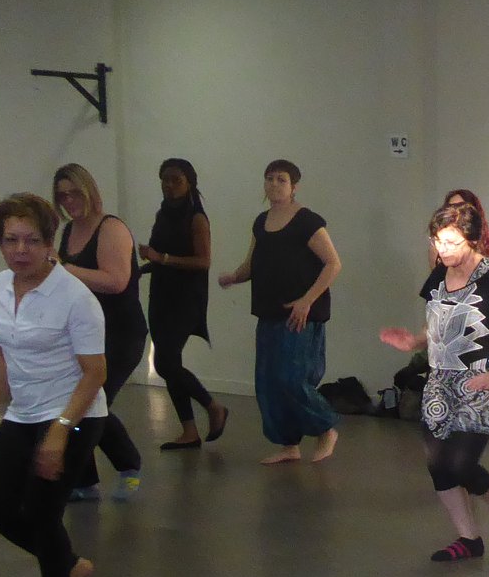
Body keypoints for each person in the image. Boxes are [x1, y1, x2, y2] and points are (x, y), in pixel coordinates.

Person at [0, 192, 106, 577]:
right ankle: (66, 562)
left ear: (50, 243)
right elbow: (2, 352)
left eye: (32, 240)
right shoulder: (1, 285)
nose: (21, 250)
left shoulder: (75, 297)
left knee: (43, 512)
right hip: (24, 411)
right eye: (11, 240)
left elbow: (95, 373)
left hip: (75, 412)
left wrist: (61, 431)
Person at [379, 198, 489, 561]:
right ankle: (468, 538)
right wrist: (413, 341)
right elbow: (438, 322)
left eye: (451, 242)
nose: (443, 249)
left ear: (472, 239)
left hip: (481, 383)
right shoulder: (439, 275)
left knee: (461, 464)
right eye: (437, 241)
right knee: (438, 464)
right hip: (440, 382)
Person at [218, 159, 341, 465]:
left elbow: (333, 263)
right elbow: (251, 264)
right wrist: (234, 277)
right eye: (270, 178)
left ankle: (326, 428)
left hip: (299, 314)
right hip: (269, 310)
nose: (274, 184)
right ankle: (289, 445)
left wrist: (306, 300)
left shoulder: (307, 221)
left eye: (281, 179)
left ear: (293, 187)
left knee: (290, 379)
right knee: (268, 382)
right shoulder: (261, 222)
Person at [52, 164, 146, 502]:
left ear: (89, 191)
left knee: (92, 400)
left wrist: (65, 269)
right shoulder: (69, 231)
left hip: (120, 333)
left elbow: (116, 281)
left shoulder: (111, 228)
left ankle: (129, 465)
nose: (69, 201)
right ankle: (85, 479)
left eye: (74, 193)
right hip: (85, 332)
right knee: (78, 402)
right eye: (63, 196)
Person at [138, 158, 227, 451]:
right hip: (161, 295)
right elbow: (160, 255)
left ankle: (213, 406)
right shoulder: (163, 214)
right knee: (170, 363)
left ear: (189, 182)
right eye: (164, 180)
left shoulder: (197, 218)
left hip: (186, 298)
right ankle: (189, 431)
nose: (169, 185)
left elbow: (203, 261)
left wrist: (160, 258)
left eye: (176, 180)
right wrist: (142, 267)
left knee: (164, 363)